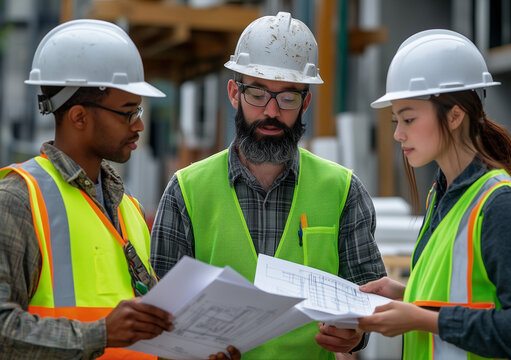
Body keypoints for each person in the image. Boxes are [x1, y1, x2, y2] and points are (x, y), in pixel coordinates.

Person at [150, 11, 386, 359]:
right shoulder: (186, 190)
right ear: (234, 93)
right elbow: (157, 314)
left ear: (305, 102)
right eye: (258, 94)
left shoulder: (342, 190)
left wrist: (356, 336)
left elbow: (369, 299)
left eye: (288, 97)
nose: (272, 112)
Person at [0, 19, 240, 360]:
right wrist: (100, 334)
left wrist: (195, 351)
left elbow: (146, 333)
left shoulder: (128, 209)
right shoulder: (18, 201)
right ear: (79, 117)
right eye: (128, 113)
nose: (139, 125)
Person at [358, 29, 511, 359]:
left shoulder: (500, 206)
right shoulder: (442, 196)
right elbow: (462, 296)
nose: (399, 134)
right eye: (395, 120)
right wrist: (405, 295)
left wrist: (422, 318)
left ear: (455, 115)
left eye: (409, 119)